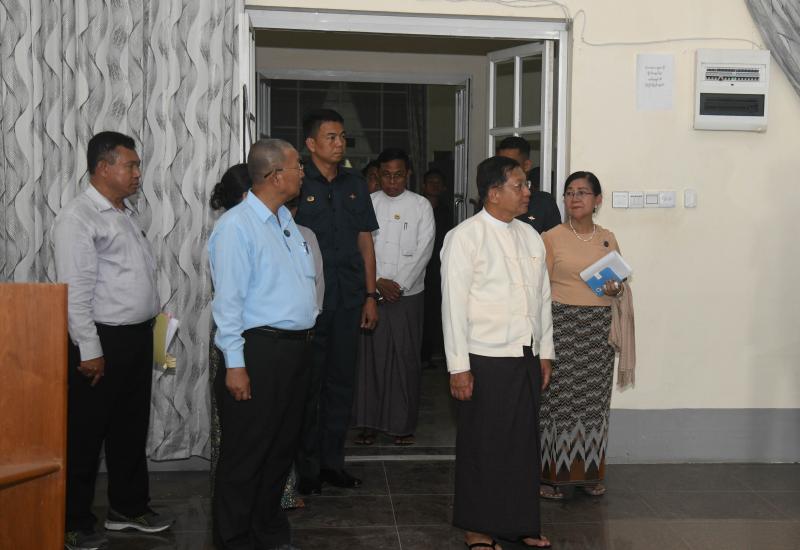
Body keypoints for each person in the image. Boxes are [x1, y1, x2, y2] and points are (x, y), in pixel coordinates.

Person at [53, 131, 174, 550]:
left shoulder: (123, 212)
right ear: (103, 168)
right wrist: (89, 349)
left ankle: (128, 508)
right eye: (131, 165)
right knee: (85, 435)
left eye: (138, 165)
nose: (138, 173)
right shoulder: (79, 217)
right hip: (102, 340)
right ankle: (73, 522)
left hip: (137, 337)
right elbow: (75, 291)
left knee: (129, 429)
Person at [209, 139, 319, 550]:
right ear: (275, 176)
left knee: (280, 449)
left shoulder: (283, 220)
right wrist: (235, 364)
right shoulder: (236, 226)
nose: (302, 172)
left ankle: (267, 532)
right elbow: (228, 303)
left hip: (294, 350)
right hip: (259, 351)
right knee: (246, 453)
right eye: (296, 166)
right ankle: (234, 539)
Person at [441, 155, 553, 549]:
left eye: (526, 184)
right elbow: (453, 307)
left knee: (522, 446)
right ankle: (478, 527)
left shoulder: (531, 235)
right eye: (519, 185)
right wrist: (458, 367)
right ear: (493, 193)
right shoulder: (465, 237)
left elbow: (542, 298)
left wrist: (545, 351)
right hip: (482, 358)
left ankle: (520, 523)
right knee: (483, 446)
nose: (527, 192)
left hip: (525, 355)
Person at [294, 109, 379, 494]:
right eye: (331, 137)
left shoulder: (355, 183)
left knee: (341, 384)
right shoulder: (297, 181)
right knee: (309, 386)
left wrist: (370, 296)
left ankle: (333, 463)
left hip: (348, 299)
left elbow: (366, 242)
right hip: (309, 303)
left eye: (342, 136)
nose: (339, 143)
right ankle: (306, 468)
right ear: (311, 143)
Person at [539, 171, 627, 500]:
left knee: (594, 403)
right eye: (569, 192)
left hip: (598, 330)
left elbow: (619, 283)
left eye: (583, 192)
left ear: (597, 200)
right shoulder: (551, 237)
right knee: (558, 401)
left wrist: (615, 288)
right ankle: (550, 477)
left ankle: (589, 474)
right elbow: (539, 288)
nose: (575, 198)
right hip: (562, 326)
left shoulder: (608, 238)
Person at [352, 148, 435, 446]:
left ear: (408, 174)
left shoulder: (421, 205)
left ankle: (402, 424)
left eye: (398, 175)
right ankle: (367, 423)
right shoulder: (368, 203)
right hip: (371, 293)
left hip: (406, 295)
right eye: (385, 175)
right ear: (378, 175)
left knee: (404, 359)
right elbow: (359, 248)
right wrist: (375, 284)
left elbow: (425, 249)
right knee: (369, 361)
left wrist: (397, 284)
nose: (391, 181)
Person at [420, 168, 453, 368]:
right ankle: (422, 355)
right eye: (430, 182)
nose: (434, 185)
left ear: (443, 187)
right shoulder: (417, 207)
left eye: (438, 182)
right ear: (423, 186)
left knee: (439, 309)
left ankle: (438, 352)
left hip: (439, 266)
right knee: (422, 311)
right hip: (419, 266)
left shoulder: (447, 211)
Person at [496, 136, 561, 234]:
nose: (504, 171)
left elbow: (555, 241)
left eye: (510, 166)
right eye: (501, 165)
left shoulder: (543, 202)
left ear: (526, 165)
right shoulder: (494, 197)